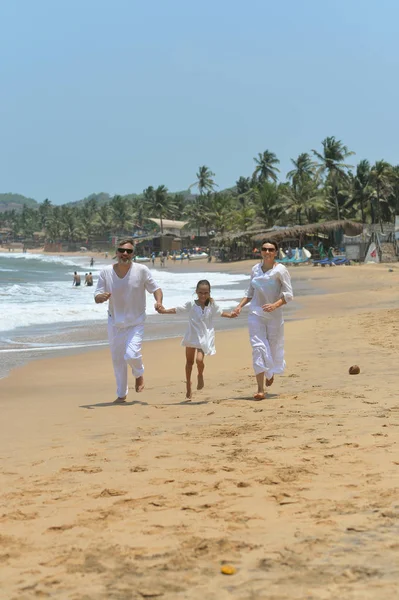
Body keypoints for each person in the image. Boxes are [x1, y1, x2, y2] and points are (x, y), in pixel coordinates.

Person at [94, 238, 163, 403]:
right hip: (114, 322)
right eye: (122, 250)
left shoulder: (141, 270)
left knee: (131, 354)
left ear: (133, 254)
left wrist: (158, 302)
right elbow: (97, 296)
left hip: (136, 322)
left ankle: (139, 373)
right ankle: (121, 395)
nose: (125, 254)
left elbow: (156, 289)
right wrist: (101, 297)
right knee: (118, 360)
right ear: (116, 252)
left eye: (129, 251)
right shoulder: (105, 272)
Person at [233, 240, 293, 400]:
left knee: (272, 348)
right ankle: (260, 389)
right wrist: (239, 306)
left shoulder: (281, 270)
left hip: (274, 316)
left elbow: (288, 294)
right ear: (260, 251)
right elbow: (250, 291)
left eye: (271, 250)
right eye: (264, 249)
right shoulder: (255, 269)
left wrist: (275, 305)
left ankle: (270, 371)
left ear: (276, 252)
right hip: (256, 314)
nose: (267, 252)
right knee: (258, 348)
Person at [157, 279, 236, 400]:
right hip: (192, 336)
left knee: (199, 360)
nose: (203, 295)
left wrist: (231, 315)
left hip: (204, 337)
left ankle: (200, 374)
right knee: (189, 363)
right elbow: (177, 310)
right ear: (196, 292)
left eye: (206, 293)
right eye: (200, 293)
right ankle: (188, 384)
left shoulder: (212, 305)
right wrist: (163, 311)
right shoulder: (191, 304)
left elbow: (220, 313)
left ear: (209, 293)